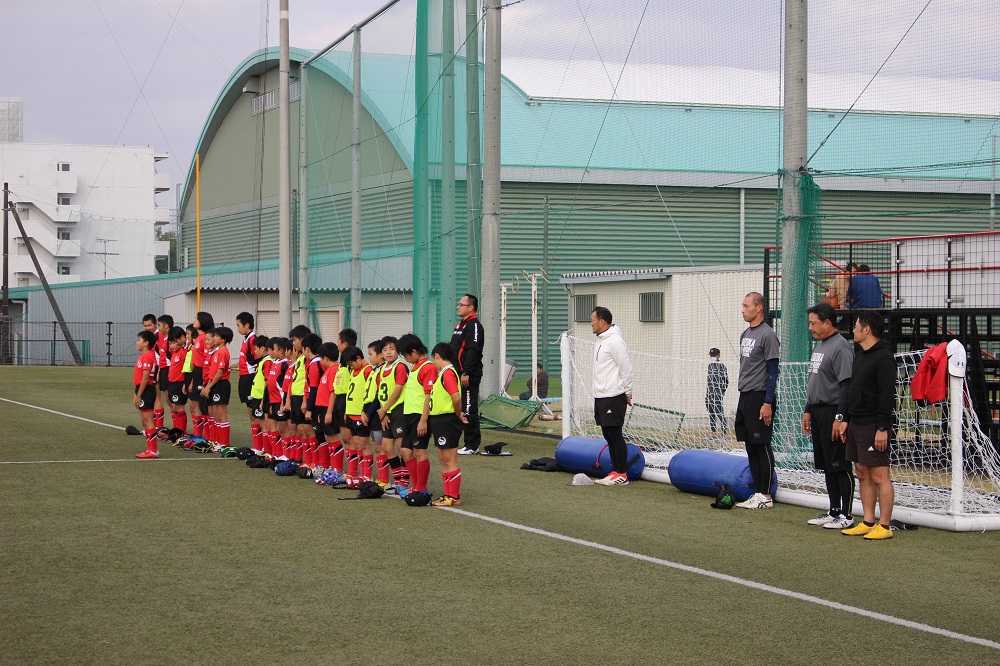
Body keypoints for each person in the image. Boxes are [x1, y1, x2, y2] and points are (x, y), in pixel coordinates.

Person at [838, 311, 897, 540]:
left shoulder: (884, 357)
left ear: (866, 329)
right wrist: (846, 419)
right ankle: (868, 520)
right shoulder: (859, 354)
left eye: (856, 326)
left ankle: (885, 525)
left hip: (874, 424)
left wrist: (882, 428)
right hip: (856, 422)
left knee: (880, 475)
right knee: (862, 472)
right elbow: (853, 389)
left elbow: (887, 396)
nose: (853, 330)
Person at [802, 303, 855, 529]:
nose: (810, 328)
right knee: (827, 465)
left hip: (833, 412)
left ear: (827, 322)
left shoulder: (841, 347)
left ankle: (847, 515)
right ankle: (833, 511)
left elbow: (846, 386)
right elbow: (816, 381)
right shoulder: (820, 346)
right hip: (818, 412)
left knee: (840, 465)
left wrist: (840, 417)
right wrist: (808, 409)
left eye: (813, 323)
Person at [733, 292, 780, 510]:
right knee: (750, 445)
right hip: (745, 395)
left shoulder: (768, 335)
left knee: (762, 445)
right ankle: (758, 492)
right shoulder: (745, 334)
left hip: (760, 396)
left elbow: (773, 371)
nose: (742, 310)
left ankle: (766, 494)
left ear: (758, 307)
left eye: (746, 306)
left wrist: (767, 402)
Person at [589, 306, 633, 486]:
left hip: (614, 395)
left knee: (615, 434)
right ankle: (615, 471)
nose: (591, 324)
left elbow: (626, 367)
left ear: (602, 321)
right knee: (608, 434)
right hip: (601, 395)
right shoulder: (600, 340)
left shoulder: (615, 341)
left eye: (593, 320)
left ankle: (622, 474)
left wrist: (628, 391)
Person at [428, 343, 469, 506]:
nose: (433, 362)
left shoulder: (448, 373)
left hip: (447, 420)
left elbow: (456, 397)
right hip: (440, 420)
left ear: (438, 356)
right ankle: (448, 494)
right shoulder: (444, 373)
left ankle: (453, 496)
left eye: (433, 359)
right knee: (443, 458)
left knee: (449, 458)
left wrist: (458, 413)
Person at [398, 333, 437, 498]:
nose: (406, 359)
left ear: (413, 351)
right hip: (409, 415)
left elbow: (429, 395)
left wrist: (423, 420)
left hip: (419, 416)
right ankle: (416, 486)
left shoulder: (428, 367)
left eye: (406, 355)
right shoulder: (414, 367)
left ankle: (420, 489)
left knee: (420, 451)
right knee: (405, 451)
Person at [453, 294, 486, 455]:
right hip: (457, 373)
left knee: (468, 407)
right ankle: (457, 440)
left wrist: (466, 372)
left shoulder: (474, 326)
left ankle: (472, 444)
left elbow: (473, 350)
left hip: (468, 375)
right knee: (458, 406)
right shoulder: (460, 325)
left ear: (471, 307)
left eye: (461, 304)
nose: (458, 307)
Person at [377, 336, 410, 491]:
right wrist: (383, 412)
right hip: (386, 411)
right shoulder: (382, 368)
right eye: (385, 350)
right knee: (386, 446)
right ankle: (398, 478)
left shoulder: (400, 366)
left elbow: (398, 389)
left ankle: (404, 482)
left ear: (398, 351)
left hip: (399, 409)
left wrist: (384, 409)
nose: (388, 352)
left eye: (392, 349)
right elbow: (380, 391)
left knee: (401, 446)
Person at [342, 346, 372, 486]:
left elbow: (370, 392)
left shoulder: (368, 370)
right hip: (351, 413)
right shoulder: (353, 371)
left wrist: (365, 411)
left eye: (352, 363)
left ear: (359, 358)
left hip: (361, 414)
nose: (351, 366)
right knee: (353, 444)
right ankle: (353, 473)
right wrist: (346, 411)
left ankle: (366, 476)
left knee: (363, 445)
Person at [201, 326, 233, 450]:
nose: (214, 338)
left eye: (216, 336)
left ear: (223, 339)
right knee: (215, 414)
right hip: (215, 384)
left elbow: (219, 373)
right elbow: (213, 372)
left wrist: (209, 386)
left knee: (221, 414)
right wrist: (208, 385)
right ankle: (217, 441)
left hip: (221, 385)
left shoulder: (223, 352)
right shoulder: (218, 352)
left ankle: (224, 444)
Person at [317, 342, 344, 474]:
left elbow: (333, 392)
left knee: (333, 438)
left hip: (329, 408)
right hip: (323, 408)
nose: (320, 361)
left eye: (320, 358)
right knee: (329, 438)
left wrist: (329, 412)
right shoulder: (329, 370)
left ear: (326, 358)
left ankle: (337, 470)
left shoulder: (334, 370)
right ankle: (332, 468)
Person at [187, 311, 215, 441]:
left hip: (203, 372)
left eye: (197, 319)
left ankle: (204, 436)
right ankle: (198, 435)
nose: (194, 320)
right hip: (197, 372)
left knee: (201, 405)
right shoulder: (198, 337)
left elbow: (207, 358)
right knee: (194, 405)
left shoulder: (205, 338)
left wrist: (206, 377)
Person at [133, 330, 160, 459]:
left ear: (146, 343)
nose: (137, 342)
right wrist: (136, 392)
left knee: (148, 419)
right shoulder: (144, 356)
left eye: (139, 340)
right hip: (142, 389)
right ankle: (150, 448)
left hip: (147, 390)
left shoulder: (148, 356)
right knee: (145, 420)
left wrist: (139, 394)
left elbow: (145, 377)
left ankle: (153, 450)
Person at [235, 313, 258, 439]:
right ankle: (256, 440)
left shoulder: (252, 340)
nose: (237, 328)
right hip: (244, 377)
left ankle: (259, 441)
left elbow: (257, 359)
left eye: (239, 325)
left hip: (250, 378)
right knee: (250, 411)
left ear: (247, 325)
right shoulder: (246, 339)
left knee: (253, 411)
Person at [247, 335, 271, 454]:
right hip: (257, 397)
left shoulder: (267, 362)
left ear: (263, 348)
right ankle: (258, 448)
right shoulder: (263, 361)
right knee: (256, 421)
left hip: (261, 397)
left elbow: (267, 381)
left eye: (256, 349)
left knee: (263, 424)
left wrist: (264, 399)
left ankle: (265, 450)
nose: (254, 352)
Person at [165, 326, 189, 435]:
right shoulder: (174, 353)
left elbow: (187, 369)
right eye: (170, 343)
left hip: (179, 384)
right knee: (174, 407)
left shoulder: (183, 352)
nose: (171, 345)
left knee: (179, 408)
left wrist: (185, 383)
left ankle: (180, 433)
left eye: (173, 343)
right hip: (172, 384)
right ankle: (176, 431)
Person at [154, 314, 173, 430]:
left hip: (171, 369)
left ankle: (179, 429)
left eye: (159, 325)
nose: (158, 327)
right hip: (163, 369)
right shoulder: (159, 336)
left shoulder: (172, 338)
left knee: (172, 400)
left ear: (166, 326)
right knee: (167, 398)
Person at [705, 348, 728, 433]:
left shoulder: (722, 366)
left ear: (718, 355)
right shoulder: (710, 365)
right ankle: (713, 430)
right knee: (710, 410)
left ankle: (724, 429)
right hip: (709, 392)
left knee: (718, 411)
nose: (712, 357)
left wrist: (722, 391)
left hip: (717, 392)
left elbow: (726, 381)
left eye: (714, 355)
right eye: (711, 355)